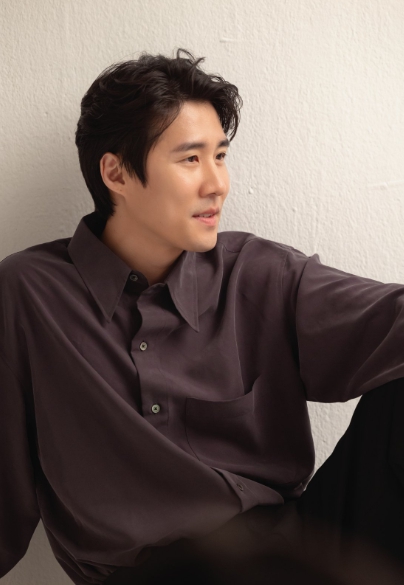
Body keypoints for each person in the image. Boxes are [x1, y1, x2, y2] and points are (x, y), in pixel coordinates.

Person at [0, 47, 404, 585]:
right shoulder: (28, 294)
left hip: (290, 554)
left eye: (221, 155)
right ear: (116, 173)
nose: (217, 183)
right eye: (191, 159)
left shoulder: (260, 272)